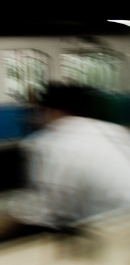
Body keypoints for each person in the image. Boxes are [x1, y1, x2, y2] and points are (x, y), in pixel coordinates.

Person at [11, 84, 130, 230]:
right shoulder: (114, 130)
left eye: (39, 112)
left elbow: (47, 214)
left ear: (53, 112)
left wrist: (18, 211)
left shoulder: (51, 143)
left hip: (118, 231)